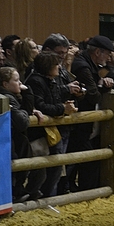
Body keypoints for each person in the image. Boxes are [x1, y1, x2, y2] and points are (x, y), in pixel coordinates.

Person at [66, 35, 114, 192]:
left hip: (83, 121)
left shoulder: (89, 65)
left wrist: (99, 85)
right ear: (98, 52)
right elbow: (94, 95)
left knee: (81, 158)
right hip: (79, 122)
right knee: (78, 158)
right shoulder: (83, 67)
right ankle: (75, 189)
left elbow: (93, 91)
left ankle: (75, 188)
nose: (109, 58)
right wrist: (103, 87)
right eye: (107, 54)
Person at [27, 51, 78, 197]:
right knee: (42, 170)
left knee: (55, 167)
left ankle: (49, 197)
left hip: (52, 132)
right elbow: (41, 106)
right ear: (47, 66)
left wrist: (64, 105)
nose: (59, 67)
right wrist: (63, 108)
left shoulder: (51, 81)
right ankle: (41, 196)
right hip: (39, 134)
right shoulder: (36, 81)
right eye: (56, 64)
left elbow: (52, 102)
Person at [0, 67, 46, 202]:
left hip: (15, 142)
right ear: (5, 84)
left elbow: (23, 114)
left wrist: (29, 107)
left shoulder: (11, 96)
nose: (20, 83)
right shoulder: (6, 98)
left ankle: (23, 192)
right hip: (10, 143)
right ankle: (19, 193)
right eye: (16, 80)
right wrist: (27, 99)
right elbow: (21, 121)